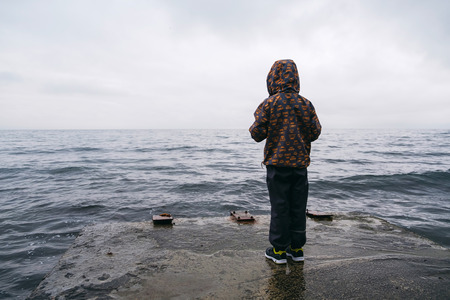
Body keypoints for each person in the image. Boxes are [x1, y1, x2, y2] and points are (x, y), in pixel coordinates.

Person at [249, 59, 321, 264]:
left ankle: (279, 251)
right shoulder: (306, 103)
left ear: (272, 79)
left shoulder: (270, 103)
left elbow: (256, 134)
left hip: (277, 165)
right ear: (296, 78)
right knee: (298, 206)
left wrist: (267, 122)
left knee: (280, 206)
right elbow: (315, 132)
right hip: (300, 165)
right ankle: (296, 249)